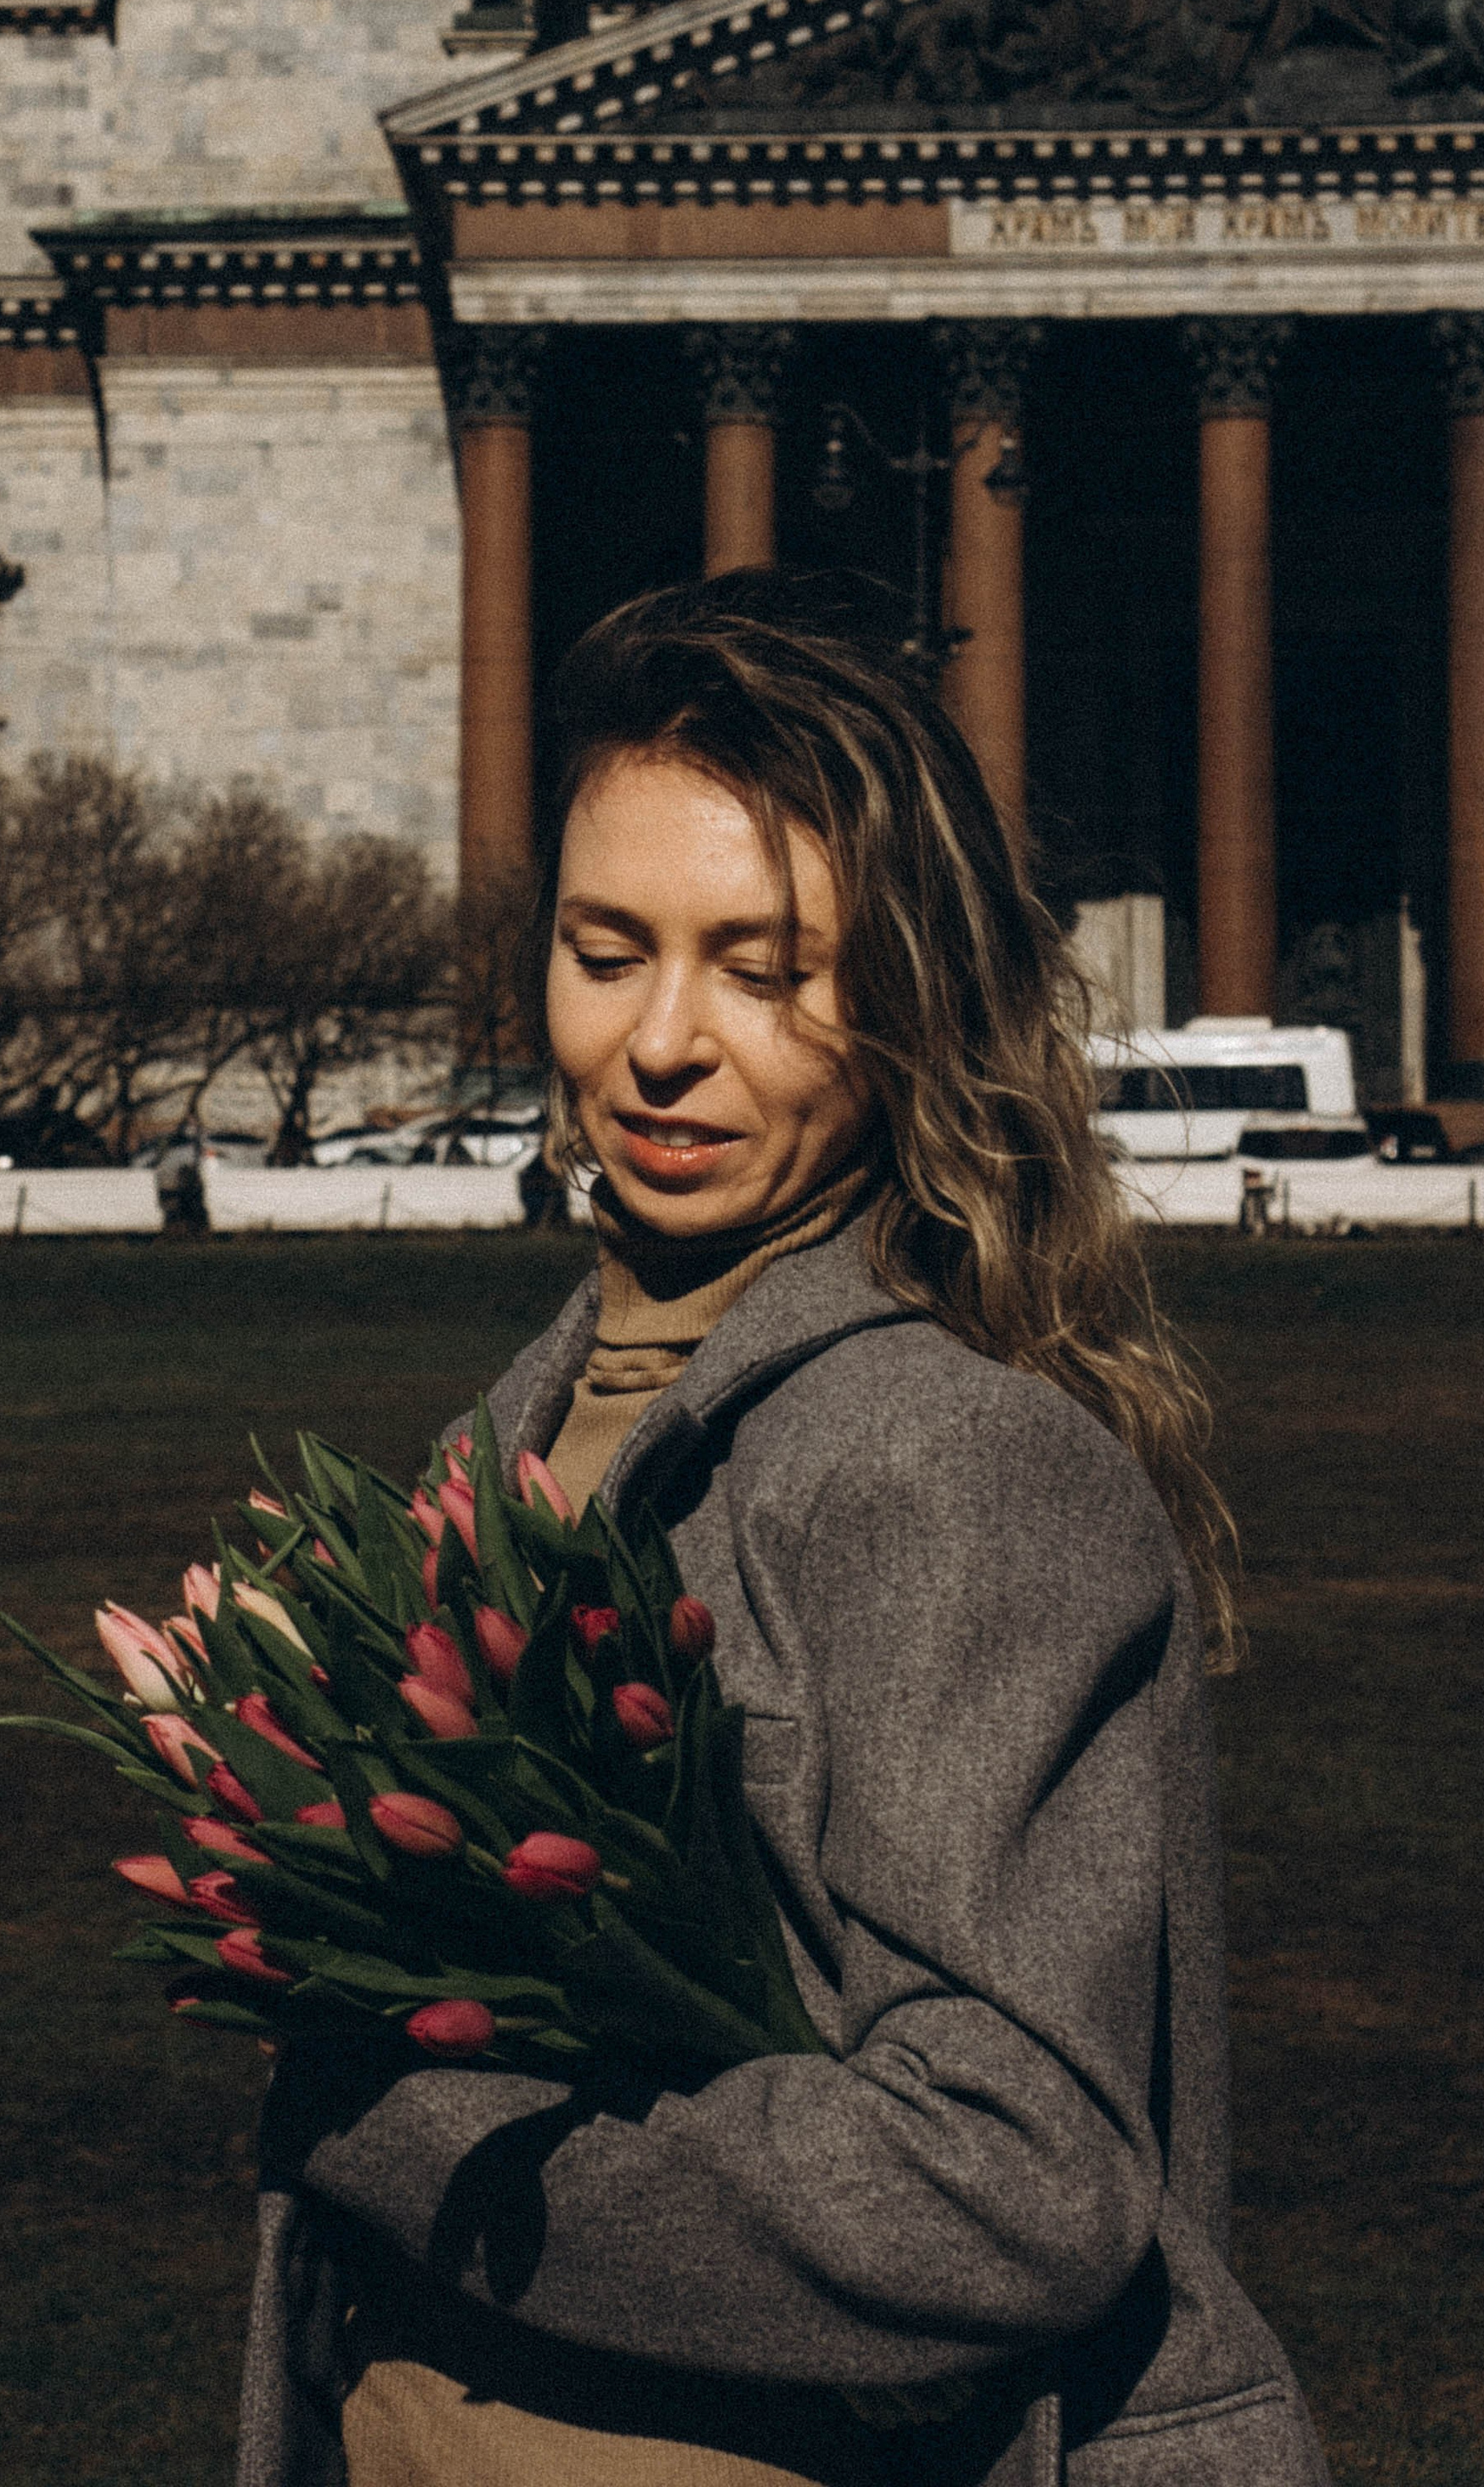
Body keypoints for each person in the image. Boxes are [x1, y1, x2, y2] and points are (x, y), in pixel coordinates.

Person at [242, 576, 1329, 2487]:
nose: (662, 1045)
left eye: (766, 970)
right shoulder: (504, 1433)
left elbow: (1002, 2182)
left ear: (909, 998)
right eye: (607, 950)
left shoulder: (941, 1463)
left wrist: (397, 2121)